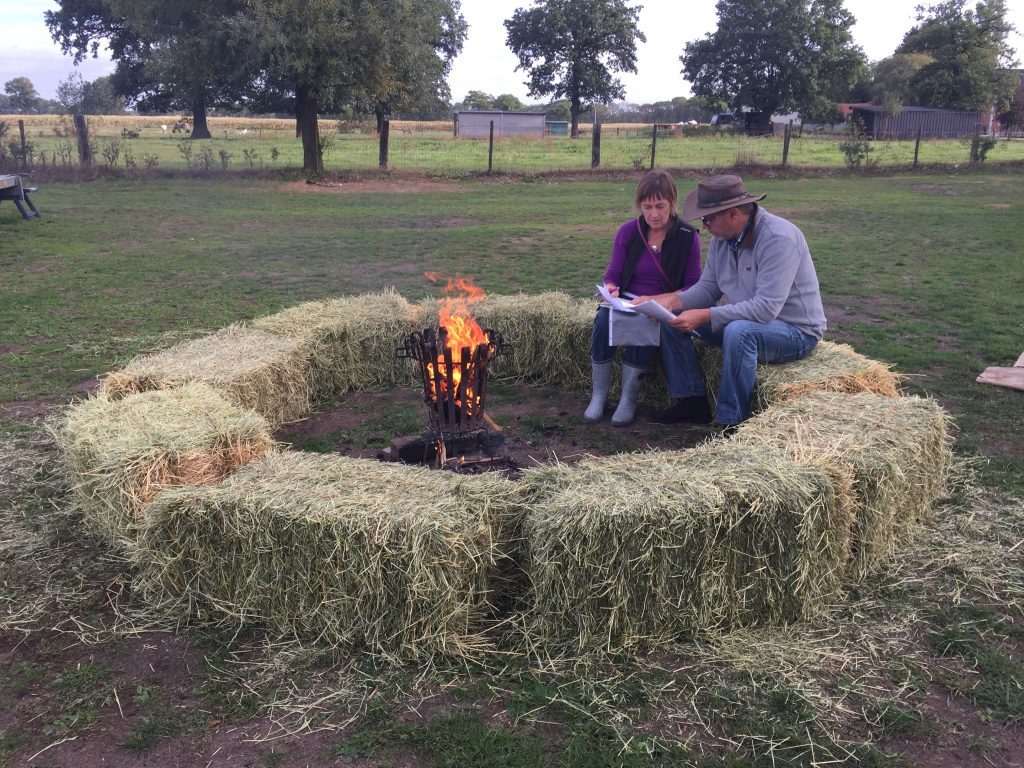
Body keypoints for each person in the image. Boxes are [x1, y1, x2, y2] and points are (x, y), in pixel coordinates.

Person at [636, 174, 827, 429]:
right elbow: (708, 287)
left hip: (795, 331)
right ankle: (692, 402)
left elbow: (766, 309)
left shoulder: (778, 239)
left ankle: (732, 422)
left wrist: (705, 316)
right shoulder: (721, 240)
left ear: (733, 214)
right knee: (672, 320)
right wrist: (671, 304)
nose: (705, 225)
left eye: (708, 218)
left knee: (739, 332)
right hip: (750, 320)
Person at [585, 169, 703, 426]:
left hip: (663, 303)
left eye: (660, 206)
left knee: (646, 320)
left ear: (672, 202)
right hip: (625, 300)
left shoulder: (687, 237)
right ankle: (599, 395)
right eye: (647, 207)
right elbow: (612, 274)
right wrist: (612, 289)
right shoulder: (628, 232)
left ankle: (628, 398)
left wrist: (658, 300)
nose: (654, 214)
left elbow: (695, 287)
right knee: (604, 319)